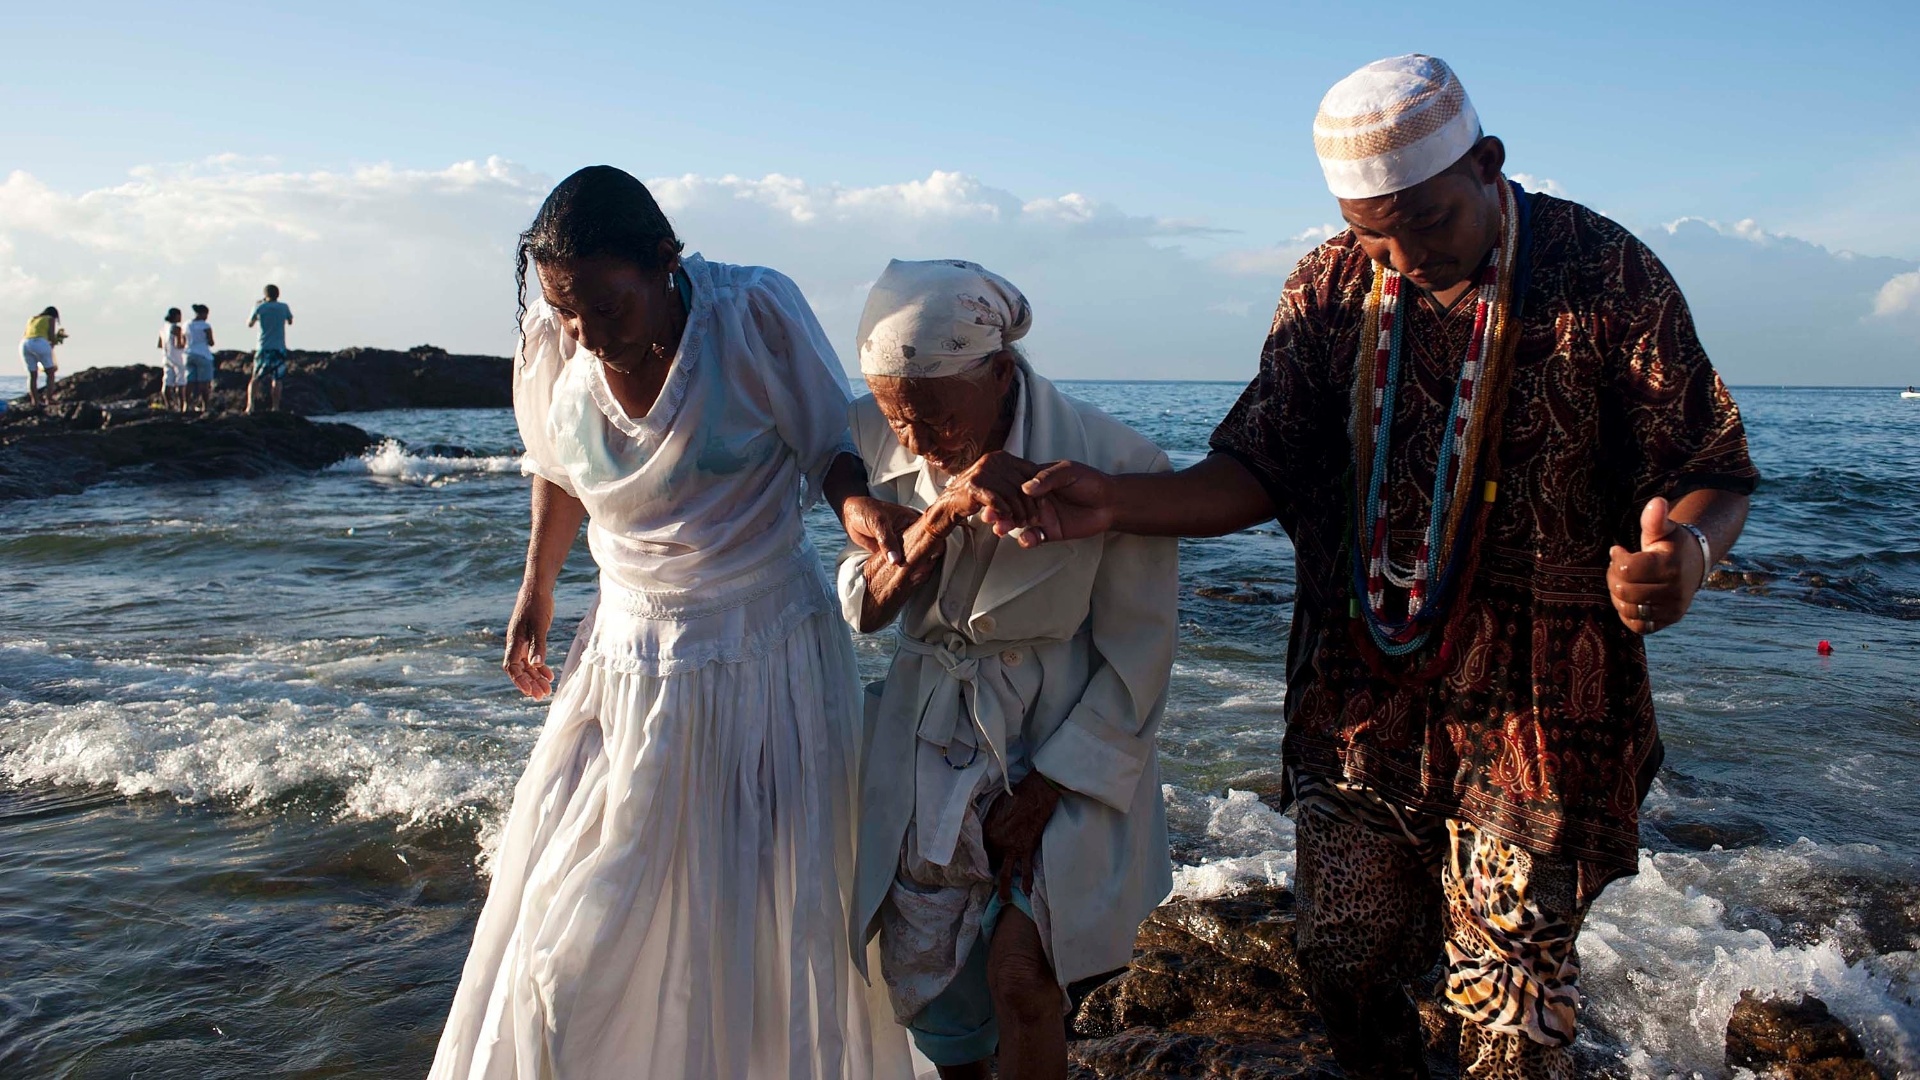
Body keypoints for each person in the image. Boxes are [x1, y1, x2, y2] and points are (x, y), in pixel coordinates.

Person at [972, 55, 1758, 1080]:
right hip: (1357, 695)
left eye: (1427, 221)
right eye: (1371, 227)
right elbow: (1259, 462)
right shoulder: (1334, 282)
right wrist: (1115, 503)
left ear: (1488, 163)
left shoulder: (1605, 271)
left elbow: (1712, 463)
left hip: (1539, 713)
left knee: (1513, 1013)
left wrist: (1687, 554)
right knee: (1338, 959)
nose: (1400, 251)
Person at [429, 165, 914, 1080]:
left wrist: (860, 514)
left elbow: (829, 450)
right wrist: (535, 588)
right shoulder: (552, 343)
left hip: (764, 649)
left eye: (607, 307)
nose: (586, 334)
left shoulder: (752, 315)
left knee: (762, 924)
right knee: (564, 946)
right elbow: (559, 467)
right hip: (621, 655)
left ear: (664, 262)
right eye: (568, 311)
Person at [838, 260, 1178, 1080]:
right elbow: (863, 607)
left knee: (1024, 978)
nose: (914, 438)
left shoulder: (1115, 461)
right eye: (896, 415)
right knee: (943, 999)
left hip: (1059, 741)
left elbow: (1139, 654)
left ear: (999, 374)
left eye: (933, 416)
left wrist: (1051, 786)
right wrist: (946, 506)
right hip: (932, 736)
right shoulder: (870, 438)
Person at [246, 284, 293, 413]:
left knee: (256, 378)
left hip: (263, 346)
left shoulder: (260, 307)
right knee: (277, 379)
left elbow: (249, 324)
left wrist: (258, 306)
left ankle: (250, 406)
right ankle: (275, 407)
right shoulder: (283, 307)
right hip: (279, 347)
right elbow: (290, 321)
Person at [20, 306, 63, 407]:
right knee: (50, 372)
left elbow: (27, 333)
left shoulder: (32, 319)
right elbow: (51, 337)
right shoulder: (50, 319)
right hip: (39, 342)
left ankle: (35, 401)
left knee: (32, 375)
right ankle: (49, 399)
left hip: (24, 344)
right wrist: (58, 339)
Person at [185, 304, 217, 412]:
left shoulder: (187, 324)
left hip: (189, 354)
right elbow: (211, 342)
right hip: (203, 355)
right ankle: (205, 406)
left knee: (189, 382)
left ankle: (186, 405)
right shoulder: (205, 326)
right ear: (203, 313)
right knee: (204, 383)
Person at [157, 308, 188, 411]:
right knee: (180, 382)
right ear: (176, 316)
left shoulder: (163, 329)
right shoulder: (176, 328)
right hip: (177, 358)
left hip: (166, 357)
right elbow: (178, 344)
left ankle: (168, 405)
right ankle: (182, 406)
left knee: (167, 382)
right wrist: (185, 342)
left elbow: (160, 345)